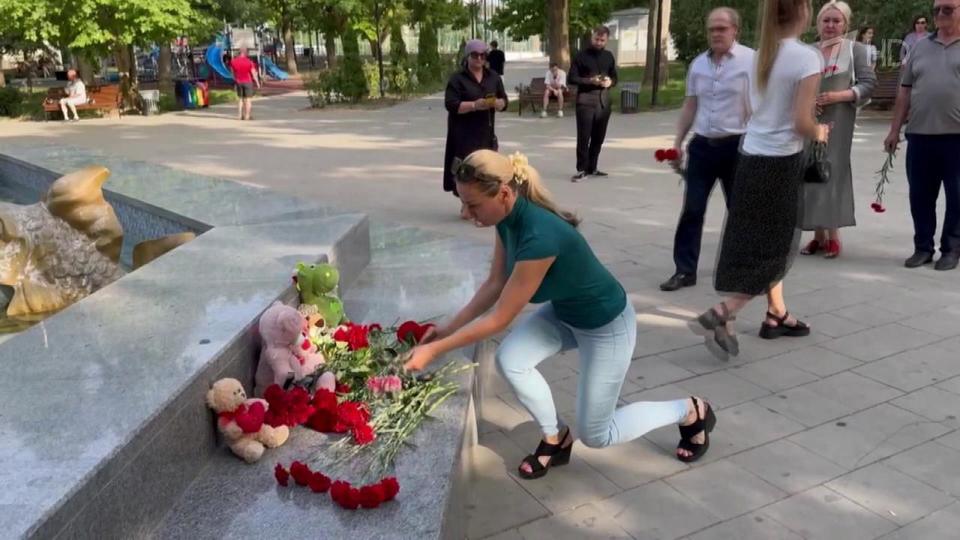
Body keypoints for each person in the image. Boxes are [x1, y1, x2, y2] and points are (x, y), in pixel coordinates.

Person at [403, 149, 717, 477]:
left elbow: (500, 318)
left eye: (473, 204)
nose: (466, 213)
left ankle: (690, 410)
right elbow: (495, 284)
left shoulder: (540, 236)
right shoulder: (505, 219)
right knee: (511, 360)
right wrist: (446, 330)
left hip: (606, 325)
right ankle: (555, 437)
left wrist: (434, 350)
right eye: (463, 203)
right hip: (566, 313)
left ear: (505, 193)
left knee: (598, 435)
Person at [690, 0, 830, 359]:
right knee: (779, 246)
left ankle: (776, 314)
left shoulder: (757, 56)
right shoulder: (806, 57)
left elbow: (750, 109)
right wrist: (820, 131)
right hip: (781, 162)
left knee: (752, 239)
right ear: (803, 11)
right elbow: (802, 123)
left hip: (749, 154)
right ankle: (725, 311)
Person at [660, 7, 755, 292]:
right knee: (692, 208)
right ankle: (684, 270)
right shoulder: (699, 64)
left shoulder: (751, 60)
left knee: (739, 211)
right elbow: (691, 104)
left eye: (722, 28)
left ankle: (744, 269)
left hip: (737, 146)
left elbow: (761, 102)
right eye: (712, 29)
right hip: (702, 146)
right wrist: (677, 142)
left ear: (735, 30)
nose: (716, 34)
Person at [885, 0, 960, 271]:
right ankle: (922, 248)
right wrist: (895, 129)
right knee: (920, 195)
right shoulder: (919, 46)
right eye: (936, 10)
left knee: (957, 197)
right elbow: (904, 90)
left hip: (956, 138)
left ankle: (951, 249)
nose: (940, 14)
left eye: (948, 9)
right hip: (920, 134)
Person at [799, 1, 876, 259]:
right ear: (818, 23)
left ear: (846, 24)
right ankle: (817, 236)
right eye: (826, 20)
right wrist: (807, 103)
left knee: (832, 171)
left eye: (836, 20)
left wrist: (841, 95)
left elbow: (867, 84)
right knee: (810, 170)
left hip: (839, 118)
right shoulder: (807, 52)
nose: (831, 25)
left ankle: (834, 235)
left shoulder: (856, 50)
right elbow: (795, 85)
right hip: (810, 119)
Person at [442, 40, 508, 220]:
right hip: (463, 133)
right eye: (474, 55)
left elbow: (504, 101)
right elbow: (451, 104)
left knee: (484, 171)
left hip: (485, 132)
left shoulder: (493, 77)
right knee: (464, 171)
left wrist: (499, 104)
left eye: (482, 55)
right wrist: (474, 105)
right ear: (467, 56)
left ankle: (479, 205)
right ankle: (465, 203)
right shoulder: (457, 79)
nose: (479, 59)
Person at [569, 26, 618, 182]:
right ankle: (582, 169)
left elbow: (615, 77)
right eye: (596, 39)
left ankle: (593, 167)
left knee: (599, 137)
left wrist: (610, 82)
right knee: (584, 137)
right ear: (592, 37)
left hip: (603, 101)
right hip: (585, 100)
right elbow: (572, 78)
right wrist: (590, 81)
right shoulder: (581, 56)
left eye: (602, 40)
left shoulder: (609, 56)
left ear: (606, 40)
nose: (599, 42)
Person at [230, 47, 260, 121]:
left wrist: (235, 80)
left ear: (239, 53)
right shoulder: (249, 61)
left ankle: (239, 115)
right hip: (247, 82)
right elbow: (253, 73)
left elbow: (232, 73)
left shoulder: (233, 62)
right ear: (245, 53)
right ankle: (247, 116)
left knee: (240, 99)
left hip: (239, 82)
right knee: (248, 100)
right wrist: (257, 82)